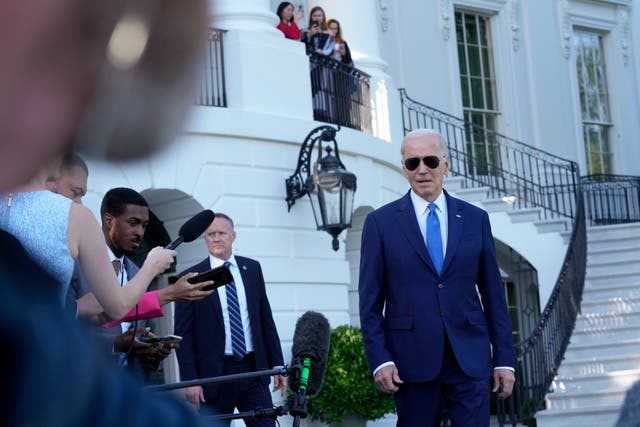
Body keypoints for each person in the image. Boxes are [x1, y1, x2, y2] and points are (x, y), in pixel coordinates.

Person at [0, 0, 223, 425]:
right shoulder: (68, 226)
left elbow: (58, 329)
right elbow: (97, 310)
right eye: (74, 192)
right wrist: (158, 282)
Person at [358, 129, 516, 427]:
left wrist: (505, 359)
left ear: (446, 163)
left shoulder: (475, 219)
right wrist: (380, 358)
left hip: (470, 358)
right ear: (403, 168)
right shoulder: (380, 224)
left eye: (430, 160)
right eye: (412, 163)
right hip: (410, 362)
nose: (422, 170)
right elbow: (369, 303)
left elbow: (494, 295)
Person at [64, 186, 215, 380]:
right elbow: (62, 329)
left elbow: (130, 341)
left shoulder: (136, 273)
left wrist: (150, 351)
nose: (140, 232)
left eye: (144, 225)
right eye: (133, 223)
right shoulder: (76, 265)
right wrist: (116, 344)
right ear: (109, 221)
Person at [175, 213, 287, 426]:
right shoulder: (191, 277)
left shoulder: (252, 269)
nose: (216, 238)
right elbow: (183, 335)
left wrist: (277, 363)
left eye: (222, 233)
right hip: (214, 376)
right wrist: (191, 381)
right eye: (211, 234)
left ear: (233, 236)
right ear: (205, 239)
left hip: (253, 370)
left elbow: (265, 319)